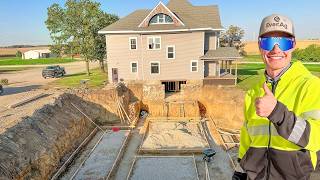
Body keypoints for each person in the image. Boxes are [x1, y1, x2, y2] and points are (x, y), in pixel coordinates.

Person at [232, 14, 320, 180]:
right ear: (260, 46)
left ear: (293, 46)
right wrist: (240, 171)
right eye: (268, 42)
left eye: (284, 42)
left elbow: (317, 138)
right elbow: (247, 140)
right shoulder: (253, 91)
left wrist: (278, 113)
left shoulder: (311, 86)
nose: (276, 49)